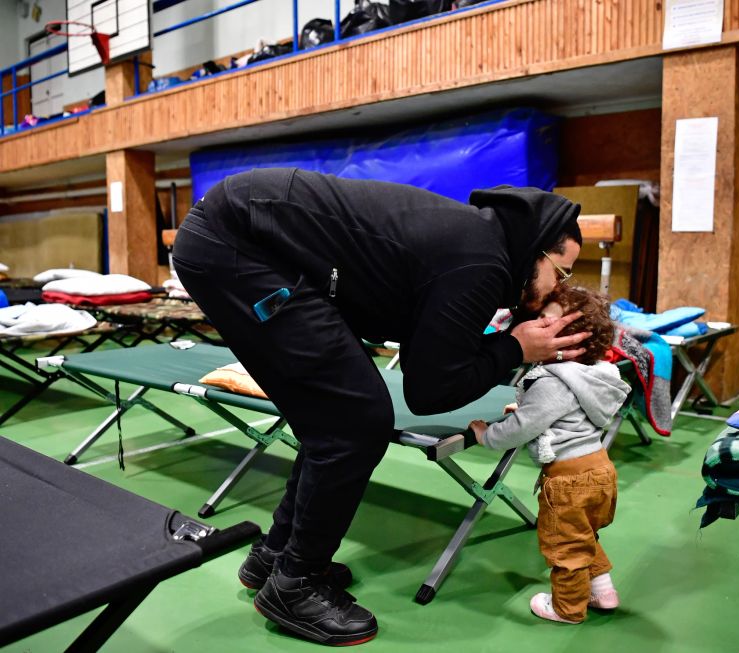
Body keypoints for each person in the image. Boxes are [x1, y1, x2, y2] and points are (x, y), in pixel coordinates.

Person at [172, 167, 589, 646]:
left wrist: (506, 344)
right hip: (236, 242)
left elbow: (427, 357)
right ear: (533, 248)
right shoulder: (482, 263)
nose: (558, 288)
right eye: (560, 272)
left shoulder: (480, 247)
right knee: (356, 419)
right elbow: (429, 391)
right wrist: (515, 349)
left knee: (331, 416)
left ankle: (277, 555)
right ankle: (295, 585)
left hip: (247, 237)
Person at [468, 285, 630, 625]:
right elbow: (564, 411)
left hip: (569, 480)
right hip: (599, 470)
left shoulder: (553, 380)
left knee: (565, 545)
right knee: (582, 534)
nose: (537, 326)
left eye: (546, 321)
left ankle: (568, 609)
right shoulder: (590, 374)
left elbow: (520, 429)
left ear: (569, 341)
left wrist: (487, 435)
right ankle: (603, 590)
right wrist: (531, 407)